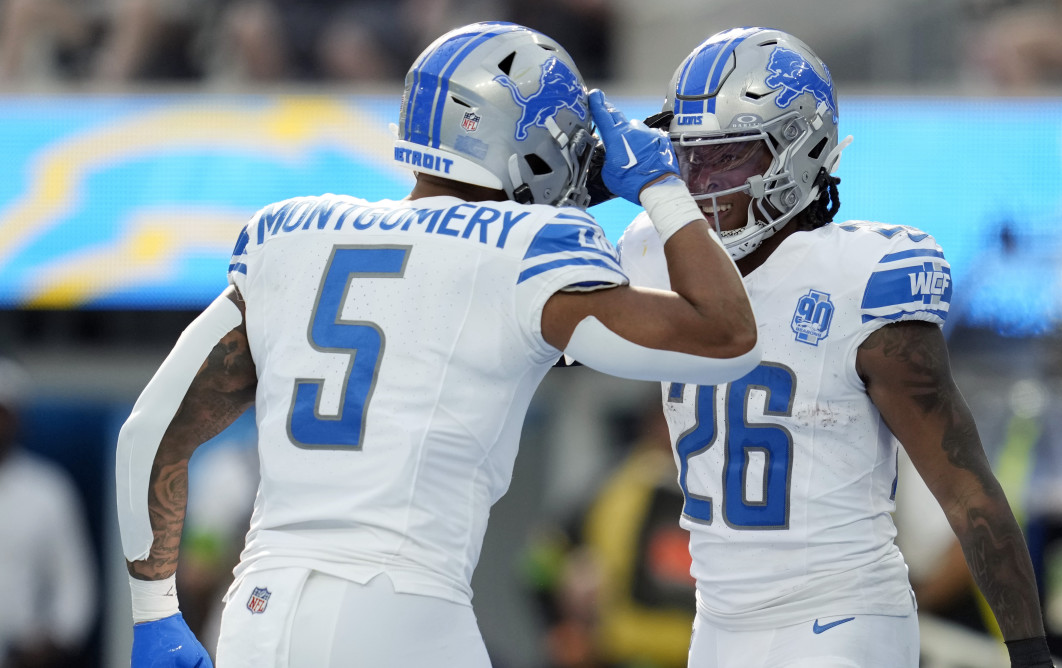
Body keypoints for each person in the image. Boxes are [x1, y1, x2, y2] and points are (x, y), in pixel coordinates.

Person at [114, 21, 759, 668]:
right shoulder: (530, 247)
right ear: (532, 140)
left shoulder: (291, 237)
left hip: (257, 609)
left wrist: (153, 616)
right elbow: (727, 337)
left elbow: (151, 428)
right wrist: (660, 187)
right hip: (398, 609)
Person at [617, 27, 1054, 668]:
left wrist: (1031, 654)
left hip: (841, 614)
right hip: (715, 621)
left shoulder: (861, 277)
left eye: (729, 156)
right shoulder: (652, 250)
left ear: (801, 148)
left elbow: (968, 492)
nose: (701, 180)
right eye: (689, 155)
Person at [0, 359, 98, 668]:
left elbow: (74, 582)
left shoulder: (47, 490)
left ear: (17, 419)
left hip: (21, 654)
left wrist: (55, 638)